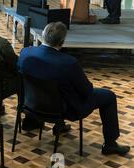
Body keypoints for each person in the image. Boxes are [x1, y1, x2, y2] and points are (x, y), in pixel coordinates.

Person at [19, 22, 130, 155]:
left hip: (31, 104)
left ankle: (43, 123)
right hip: (63, 110)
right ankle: (110, 144)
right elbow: (86, 90)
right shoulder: (69, 62)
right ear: (62, 41)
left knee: (52, 86)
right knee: (109, 96)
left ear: (43, 34)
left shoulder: (26, 52)